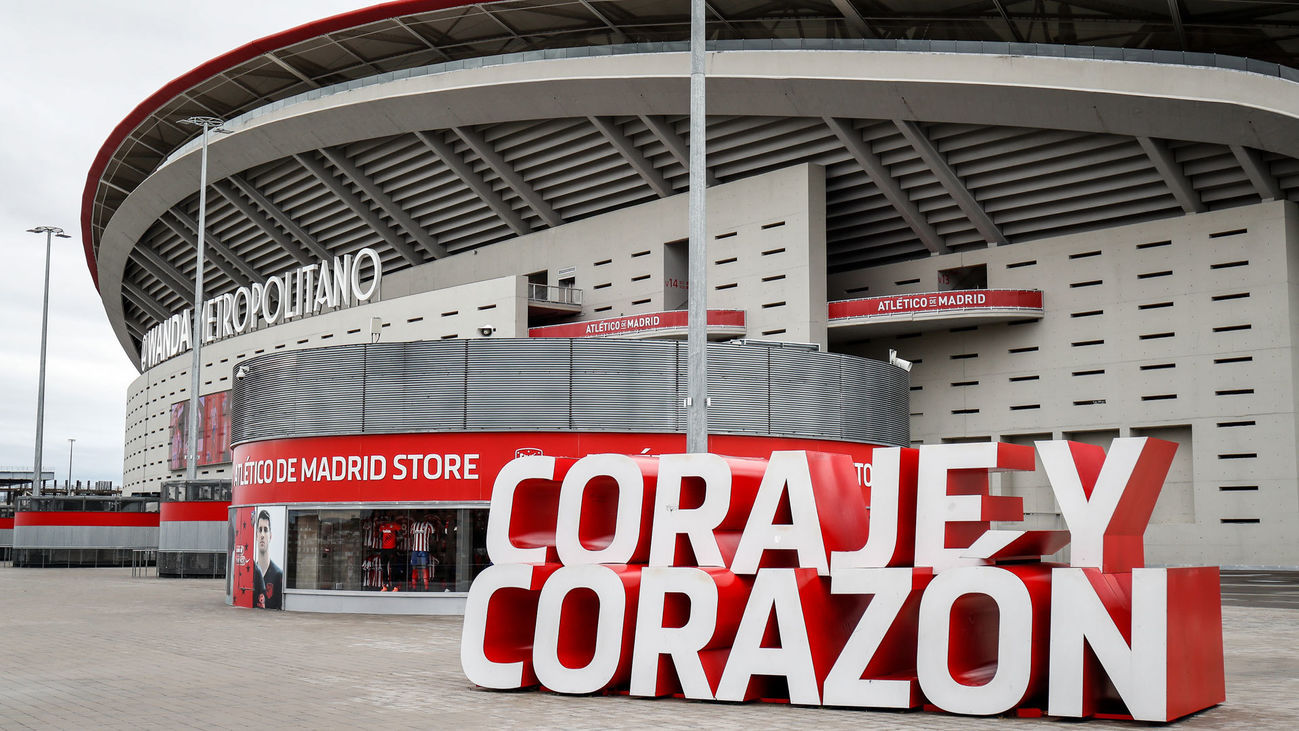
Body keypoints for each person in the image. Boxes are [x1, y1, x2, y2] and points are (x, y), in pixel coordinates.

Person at [252, 509, 283, 609]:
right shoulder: (251, 573)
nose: (262, 535)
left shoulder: (278, 575)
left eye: (265, 530)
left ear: (270, 536)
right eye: (260, 530)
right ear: (256, 535)